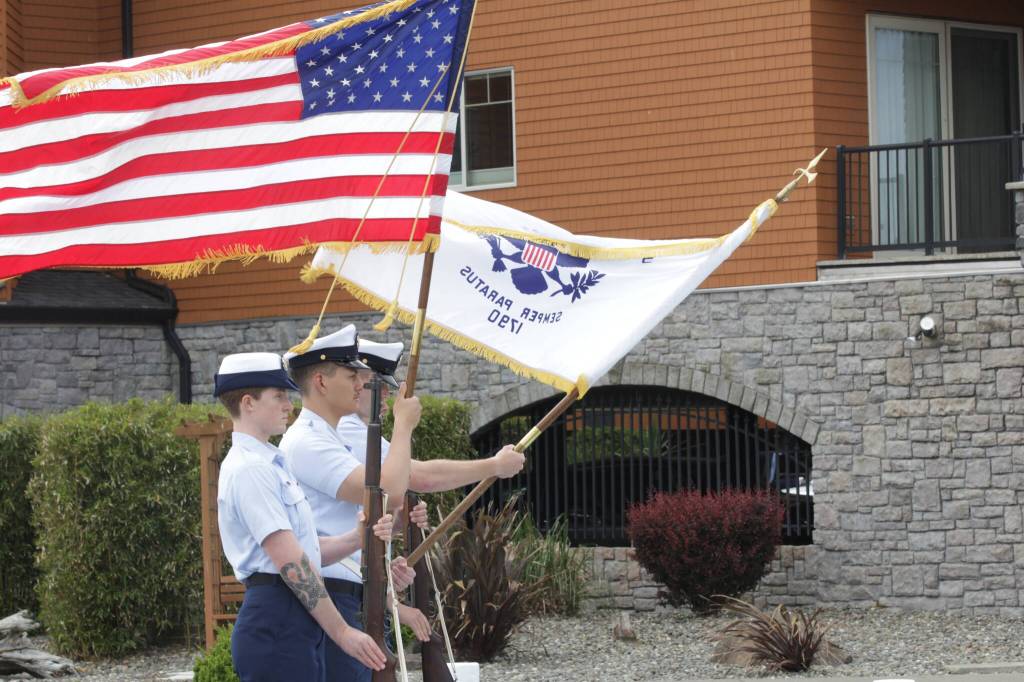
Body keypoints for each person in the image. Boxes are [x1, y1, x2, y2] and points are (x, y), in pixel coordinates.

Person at [214, 352, 409, 682]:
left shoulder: (270, 464)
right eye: (278, 397)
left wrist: (357, 537)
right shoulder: (251, 469)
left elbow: (305, 550)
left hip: (291, 616)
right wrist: (342, 632)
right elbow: (291, 562)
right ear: (248, 403)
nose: (289, 406)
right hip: (278, 614)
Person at [339, 337, 526, 639]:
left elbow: (380, 508)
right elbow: (420, 477)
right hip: (350, 592)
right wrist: (493, 466)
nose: (387, 393)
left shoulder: (358, 431)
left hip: (364, 587)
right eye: (377, 384)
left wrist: (400, 523)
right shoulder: (347, 430)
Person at [279, 325, 420, 681]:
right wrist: (403, 427)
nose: (361, 385)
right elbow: (391, 489)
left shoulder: (328, 437)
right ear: (322, 382)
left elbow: (383, 504)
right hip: (332, 588)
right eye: (350, 374)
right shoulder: (307, 441)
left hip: (353, 587)